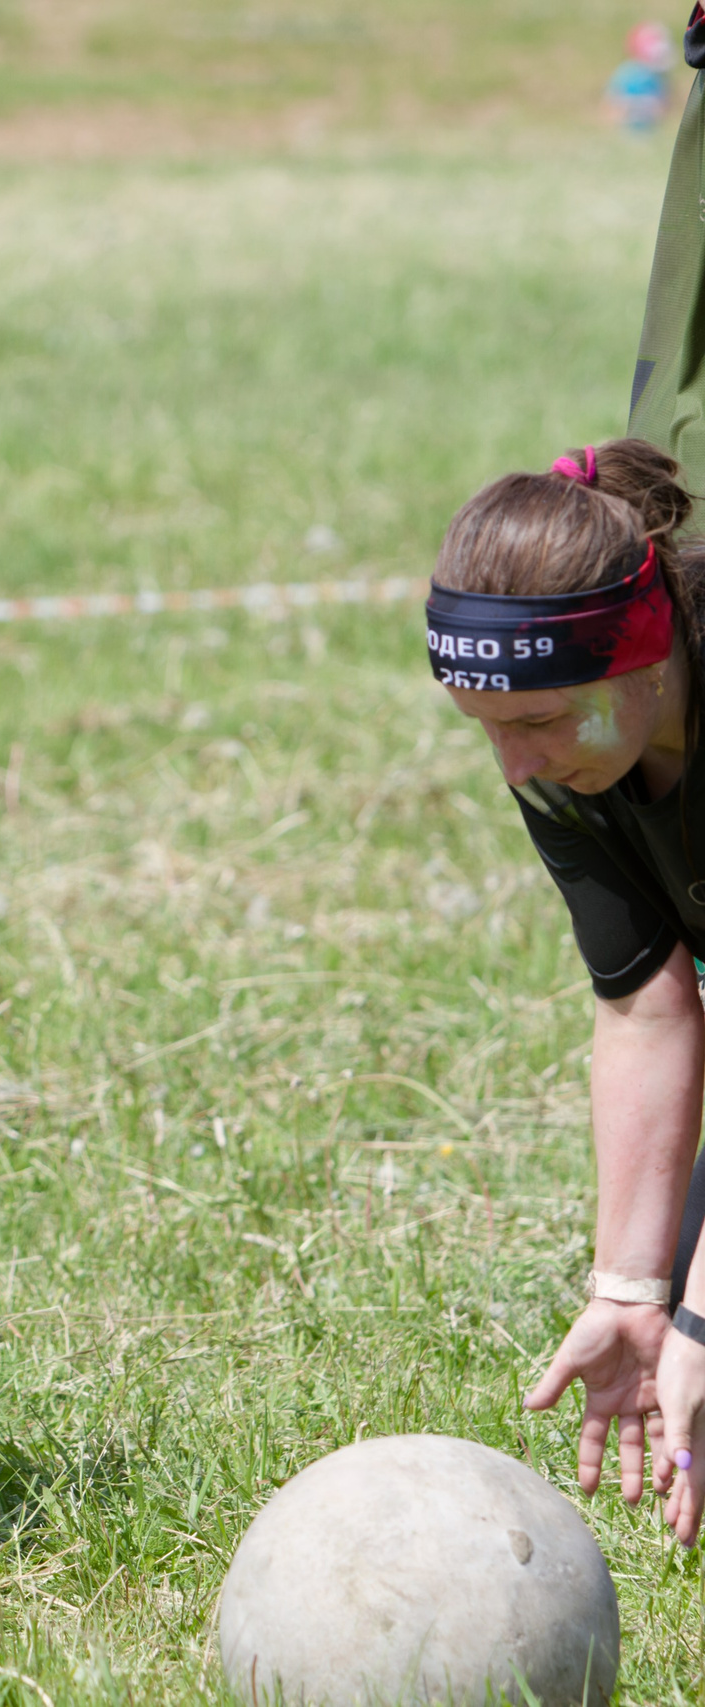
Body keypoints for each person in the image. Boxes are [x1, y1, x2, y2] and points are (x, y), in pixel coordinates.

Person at [428, 438, 705, 1547]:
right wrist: (635, 1291)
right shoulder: (576, 762)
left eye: (537, 722)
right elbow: (645, 1003)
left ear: (644, 662)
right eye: (486, 726)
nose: (512, 767)